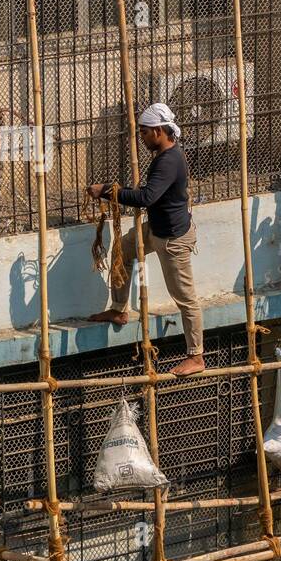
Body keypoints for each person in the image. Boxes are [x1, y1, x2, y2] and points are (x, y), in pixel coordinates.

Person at [86, 103, 204, 377]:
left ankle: (196, 356)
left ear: (159, 131)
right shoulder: (165, 154)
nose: (142, 137)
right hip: (156, 229)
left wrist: (107, 190)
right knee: (123, 251)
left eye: (145, 132)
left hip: (172, 239)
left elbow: (146, 197)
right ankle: (119, 309)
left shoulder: (169, 160)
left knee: (185, 299)